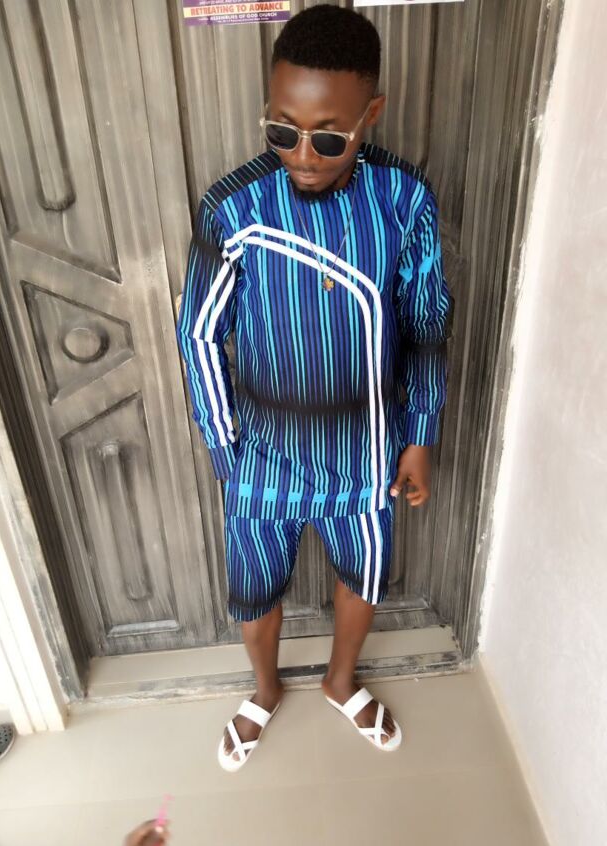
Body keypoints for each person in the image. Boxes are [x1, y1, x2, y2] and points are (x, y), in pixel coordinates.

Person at [177, 3, 454, 769]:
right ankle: (265, 688)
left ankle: (340, 679)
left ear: (371, 115)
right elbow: (200, 333)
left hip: (368, 450)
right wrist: (227, 448)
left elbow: (426, 322)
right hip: (262, 453)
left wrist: (420, 434)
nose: (302, 155)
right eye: (282, 131)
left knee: (364, 572)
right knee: (254, 588)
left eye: (329, 137)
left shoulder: (403, 200)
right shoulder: (235, 207)